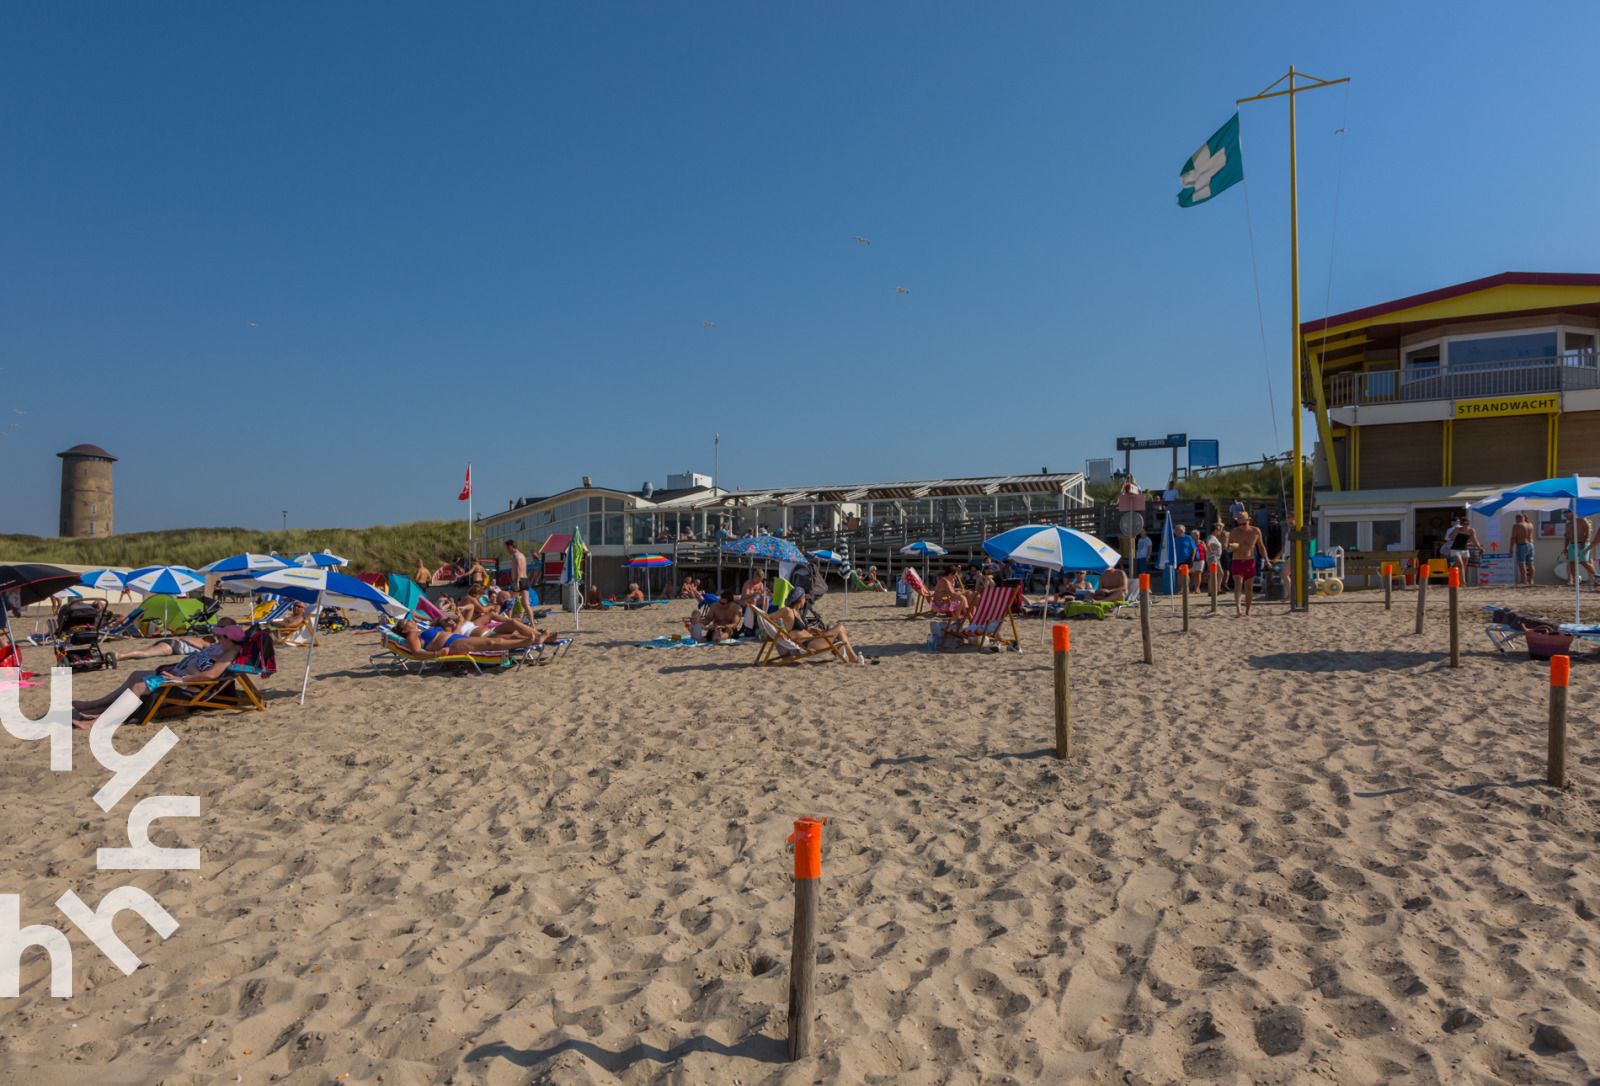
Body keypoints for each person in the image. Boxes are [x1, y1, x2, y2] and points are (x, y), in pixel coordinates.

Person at [72, 619, 250, 727]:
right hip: (177, 676)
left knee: (139, 685)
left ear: (229, 639)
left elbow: (211, 676)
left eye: (221, 636)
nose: (217, 638)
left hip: (187, 686)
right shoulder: (221, 647)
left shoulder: (229, 654)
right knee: (136, 674)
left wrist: (181, 679)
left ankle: (96, 723)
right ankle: (97, 707)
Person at [772, 590, 866, 663]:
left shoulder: (797, 613)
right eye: (804, 598)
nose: (805, 600)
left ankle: (852, 657)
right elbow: (769, 618)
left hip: (813, 640)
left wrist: (809, 629)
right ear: (800, 599)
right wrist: (779, 632)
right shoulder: (787, 610)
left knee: (840, 632)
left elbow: (798, 629)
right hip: (810, 645)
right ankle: (853, 658)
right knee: (840, 627)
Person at [1226, 512, 1271, 617]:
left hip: (1249, 561)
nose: (1241, 526)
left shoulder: (1255, 531)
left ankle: (1248, 609)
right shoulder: (1234, 532)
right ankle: (1238, 609)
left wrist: (1267, 560)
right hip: (1237, 560)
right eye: (1239, 523)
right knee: (1238, 584)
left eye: (1243, 523)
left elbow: (1261, 547)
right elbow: (1228, 548)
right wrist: (1231, 548)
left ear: (1248, 521)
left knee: (1249, 587)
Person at [1566, 511, 1598, 588]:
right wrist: (1565, 547)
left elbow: (1588, 531)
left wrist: (1584, 541)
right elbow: (1567, 536)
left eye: (1568, 512)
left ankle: (1597, 578)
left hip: (1582, 543)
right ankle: (1575, 580)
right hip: (1572, 544)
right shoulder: (1569, 523)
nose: (1566, 515)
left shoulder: (1582, 520)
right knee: (1572, 562)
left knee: (1584, 562)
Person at [504, 539, 534, 620]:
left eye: (507, 548)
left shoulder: (516, 556)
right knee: (526, 604)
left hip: (519, 581)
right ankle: (532, 624)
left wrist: (516, 582)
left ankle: (509, 620)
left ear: (511, 547)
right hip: (525, 580)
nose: (507, 550)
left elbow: (518, 568)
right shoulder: (522, 555)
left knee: (510, 601)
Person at [1511, 513, 1536, 586]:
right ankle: (1531, 580)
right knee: (1531, 563)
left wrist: (1511, 547)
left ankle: (1524, 580)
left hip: (1522, 545)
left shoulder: (1517, 525)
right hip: (1531, 545)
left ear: (1518, 518)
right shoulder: (1530, 525)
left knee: (1522, 563)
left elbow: (1513, 537)